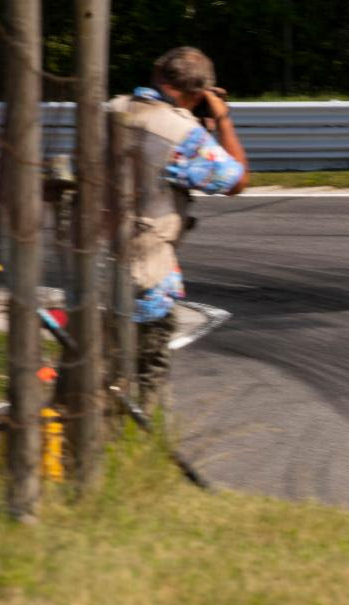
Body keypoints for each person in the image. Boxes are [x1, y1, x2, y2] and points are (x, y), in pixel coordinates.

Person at [113, 46, 249, 411]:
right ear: (198, 92)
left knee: (97, 373)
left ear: (158, 74)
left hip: (88, 266)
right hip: (145, 275)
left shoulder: (110, 111)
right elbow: (236, 180)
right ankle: (146, 446)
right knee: (148, 375)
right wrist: (221, 120)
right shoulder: (184, 134)